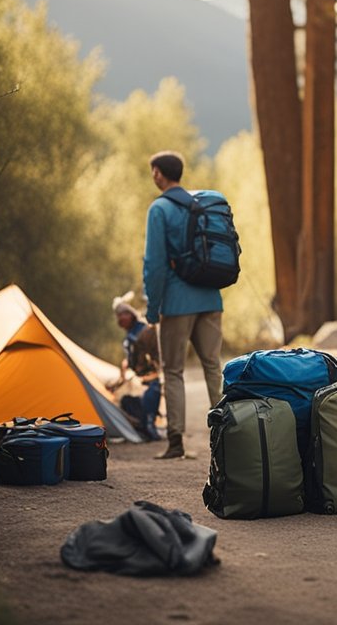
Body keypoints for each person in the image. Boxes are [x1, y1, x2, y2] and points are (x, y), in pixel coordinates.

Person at [143, 150, 224, 460]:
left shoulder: (159, 209)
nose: (153, 177)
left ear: (160, 174)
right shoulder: (201, 204)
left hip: (177, 304)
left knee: (173, 371)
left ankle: (175, 441)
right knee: (212, 365)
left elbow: (155, 265)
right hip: (211, 297)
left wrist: (153, 310)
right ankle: (226, 434)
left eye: (154, 172)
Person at [108, 292, 162, 441]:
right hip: (139, 378)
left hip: (152, 378)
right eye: (119, 315)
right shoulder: (131, 334)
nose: (121, 318)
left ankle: (149, 425)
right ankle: (142, 425)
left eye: (124, 314)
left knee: (152, 390)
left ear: (131, 314)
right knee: (125, 399)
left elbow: (155, 357)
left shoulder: (144, 330)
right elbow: (131, 359)